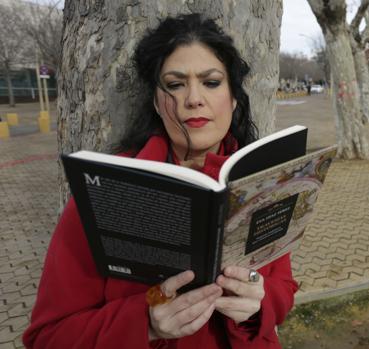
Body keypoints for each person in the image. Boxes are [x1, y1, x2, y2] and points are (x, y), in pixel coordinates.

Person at [23, 14, 298, 349]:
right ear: (156, 101)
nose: (194, 98)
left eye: (211, 82)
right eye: (175, 84)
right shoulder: (105, 189)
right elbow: (48, 337)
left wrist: (258, 304)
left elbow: (283, 288)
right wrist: (146, 322)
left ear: (234, 98)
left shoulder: (265, 181)